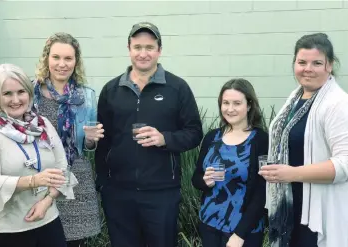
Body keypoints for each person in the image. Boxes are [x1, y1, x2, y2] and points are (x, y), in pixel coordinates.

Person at [95, 22, 203, 247]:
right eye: (137, 47)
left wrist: (165, 139)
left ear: (159, 50)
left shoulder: (177, 88)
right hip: (119, 194)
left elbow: (194, 133)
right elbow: (103, 141)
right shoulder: (111, 90)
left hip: (161, 193)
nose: (143, 53)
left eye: (149, 47)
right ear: (129, 49)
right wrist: (105, 185)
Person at [259, 33, 348, 247]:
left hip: (319, 215)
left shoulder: (338, 104)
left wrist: (292, 173)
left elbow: (345, 164)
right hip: (291, 209)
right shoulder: (296, 97)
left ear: (330, 65)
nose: (308, 68)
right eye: (302, 62)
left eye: (317, 62)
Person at [0, 64, 77, 247]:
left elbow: (63, 169)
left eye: (21, 92)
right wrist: (34, 181)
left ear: (29, 93)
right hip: (5, 231)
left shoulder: (42, 125)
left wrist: (48, 201)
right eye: (7, 94)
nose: (16, 99)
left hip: (48, 222)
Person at [32, 32, 103, 247]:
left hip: (75, 177)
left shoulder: (86, 96)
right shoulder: (30, 92)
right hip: (39, 176)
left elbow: (87, 146)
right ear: (47, 59)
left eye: (68, 58)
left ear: (76, 62)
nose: (62, 64)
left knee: (74, 241)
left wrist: (91, 140)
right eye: (56, 57)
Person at [192, 78, 269, 247]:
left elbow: (262, 191)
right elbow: (196, 178)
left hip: (244, 230)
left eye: (237, 103)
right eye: (225, 103)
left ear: (249, 105)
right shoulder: (212, 137)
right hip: (209, 223)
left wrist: (240, 234)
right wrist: (205, 181)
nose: (230, 109)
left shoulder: (261, 140)